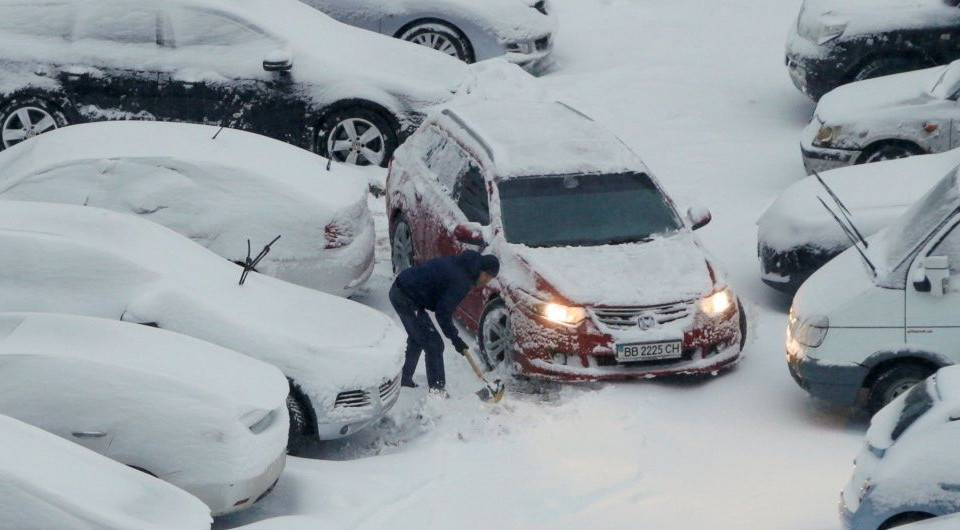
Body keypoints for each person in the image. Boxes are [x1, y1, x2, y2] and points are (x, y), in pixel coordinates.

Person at [389, 250, 500, 392]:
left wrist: (455, 338)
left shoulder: (464, 266)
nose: (486, 281)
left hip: (406, 291)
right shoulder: (461, 281)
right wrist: (456, 339)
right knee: (434, 344)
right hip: (405, 297)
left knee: (418, 337)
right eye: (487, 275)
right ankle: (437, 391)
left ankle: (404, 379)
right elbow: (443, 313)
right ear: (481, 269)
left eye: (490, 278)